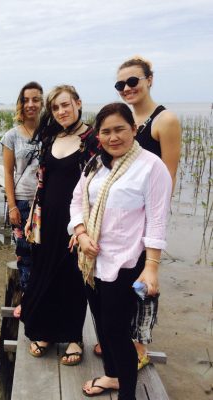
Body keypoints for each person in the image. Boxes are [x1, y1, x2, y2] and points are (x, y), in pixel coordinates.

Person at [69, 103, 172, 398]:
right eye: (106, 132)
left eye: (119, 130)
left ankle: (127, 393)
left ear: (134, 130)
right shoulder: (95, 164)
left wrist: (151, 267)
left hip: (127, 263)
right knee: (101, 323)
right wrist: (80, 232)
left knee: (116, 331)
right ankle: (112, 375)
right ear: (98, 135)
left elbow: (157, 221)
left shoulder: (151, 167)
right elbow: (77, 201)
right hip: (91, 259)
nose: (113, 137)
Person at [92, 56, 181, 369]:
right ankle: (118, 338)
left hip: (146, 220)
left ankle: (139, 346)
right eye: (120, 84)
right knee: (120, 285)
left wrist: (153, 234)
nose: (127, 88)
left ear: (149, 80)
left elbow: (167, 178)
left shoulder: (164, 120)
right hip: (122, 220)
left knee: (144, 286)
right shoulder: (125, 120)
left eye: (133, 81)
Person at [20, 85, 98, 364]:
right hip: (47, 218)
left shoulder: (92, 139)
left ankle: (74, 337)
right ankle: (46, 332)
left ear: (78, 103)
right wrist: (31, 217)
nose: (62, 111)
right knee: (44, 271)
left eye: (66, 105)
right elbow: (43, 181)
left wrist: (85, 228)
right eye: (55, 107)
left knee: (72, 277)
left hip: (77, 221)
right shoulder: (51, 135)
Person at [0, 82, 43, 318]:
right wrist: (13, 206)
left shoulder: (50, 132)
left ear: (42, 102)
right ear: (20, 103)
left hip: (46, 203)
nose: (31, 104)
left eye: (35, 99)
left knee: (45, 253)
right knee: (25, 254)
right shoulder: (12, 136)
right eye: (26, 100)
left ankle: (45, 296)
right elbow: (7, 173)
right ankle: (28, 299)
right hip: (23, 201)